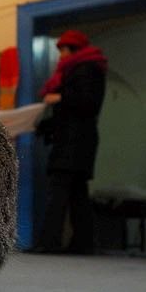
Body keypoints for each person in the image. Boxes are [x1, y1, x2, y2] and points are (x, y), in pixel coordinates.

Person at [33, 30, 108, 254]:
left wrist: (60, 97)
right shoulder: (80, 69)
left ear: (74, 49)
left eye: (63, 50)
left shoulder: (85, 69)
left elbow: (88, 103)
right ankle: (83, 243)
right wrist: (42, 126)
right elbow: (70, 113)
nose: (61, 56)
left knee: (58, 192)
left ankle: (49, 242)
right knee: (77, 194)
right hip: (77, 140)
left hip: (74, 142)